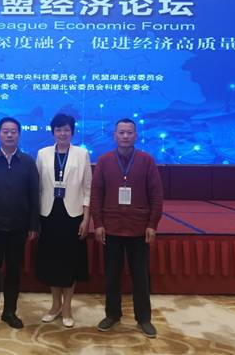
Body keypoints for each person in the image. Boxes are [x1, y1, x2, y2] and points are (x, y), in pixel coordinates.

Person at [90, 118, 163, 338]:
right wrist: (98, 223)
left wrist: (152, 224)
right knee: (112, 275)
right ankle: (112, 315)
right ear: (114, 135)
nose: (125, 136)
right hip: (111, 228)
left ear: (136, 135)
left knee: (141, 276)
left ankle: (144, 318)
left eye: (129, 132)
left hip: (138, 228)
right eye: (121, 132)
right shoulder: (104, 161)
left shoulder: (146, 160)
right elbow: (96, 194)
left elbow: (156, 195)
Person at [0, 117, 39, 331]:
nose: (9, 135)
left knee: (13, 272)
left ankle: (10, 312)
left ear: (19, 134)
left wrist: (33, 225)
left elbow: (34, 195)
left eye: (13, 131)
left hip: (18, 228)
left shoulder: (28, 162)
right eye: (5, 131)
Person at [35, 113, 91, 328]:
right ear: (53, 132)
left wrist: (86, 218)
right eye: (58, 130)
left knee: (70, 262)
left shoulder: (82, 154)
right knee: (52, 262)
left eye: (66, 129)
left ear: (72, 132)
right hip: (48, 215)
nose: (62, 133)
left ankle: (67, 307)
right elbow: (37, 187)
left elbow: (87, 188)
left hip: (73, 215)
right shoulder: (42, 154)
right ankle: (55, 304)